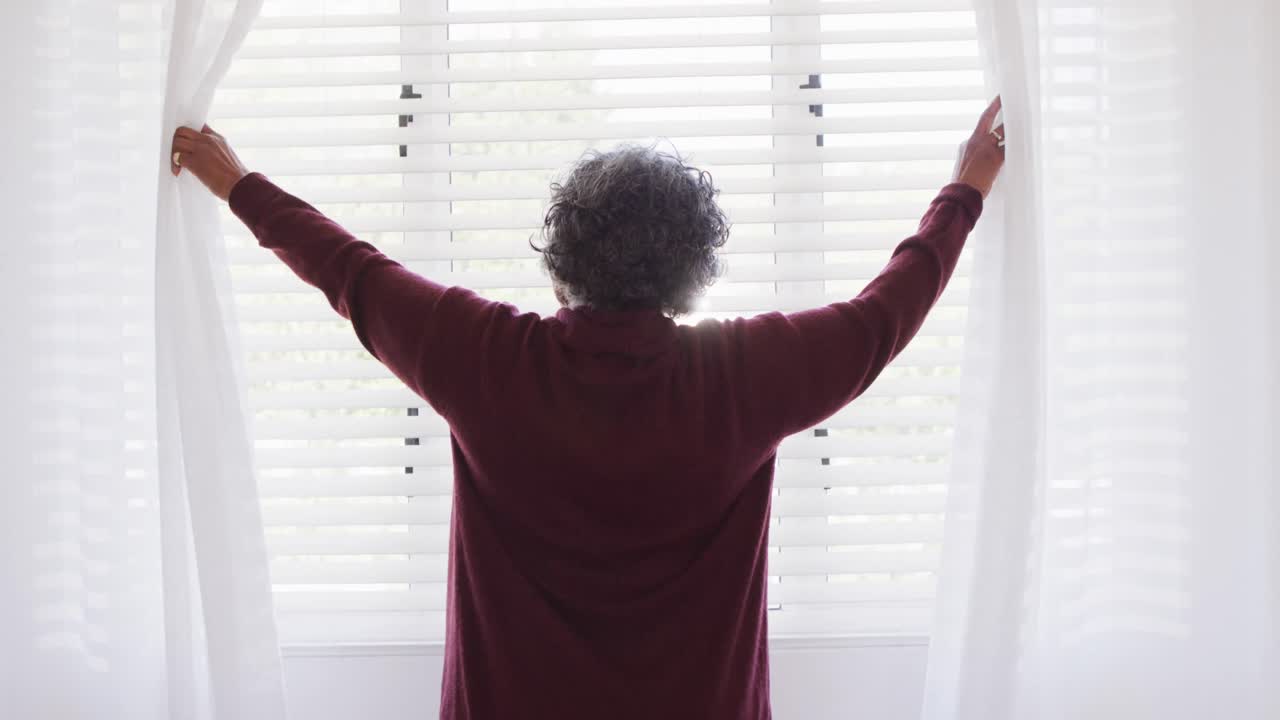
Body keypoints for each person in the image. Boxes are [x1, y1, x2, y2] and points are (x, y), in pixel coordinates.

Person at [171, 97, 1005, 720]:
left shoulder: (484, 357)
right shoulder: (744, 376)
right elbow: (883, 314)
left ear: (560, 255)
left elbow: (350, 271)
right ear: (693, 269)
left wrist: (237, 183)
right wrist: (962, 192)